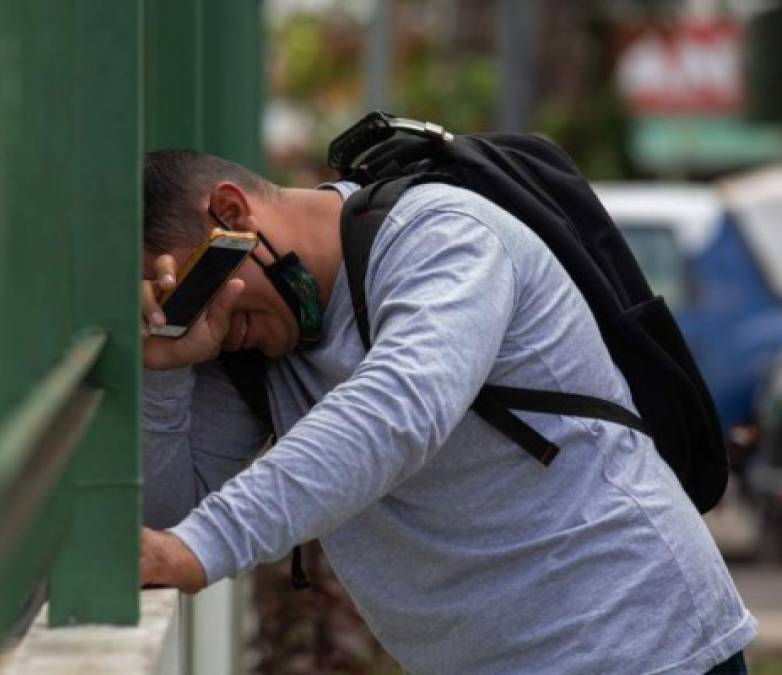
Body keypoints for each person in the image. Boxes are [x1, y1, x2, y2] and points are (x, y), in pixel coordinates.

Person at [138, 149, 756, 674]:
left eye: (190, 291)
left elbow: (398, 409)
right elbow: (168, 522)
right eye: (169, 307)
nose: (195, 318)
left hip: (641, 646)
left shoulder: (442, 235)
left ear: (230, 213)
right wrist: (165, 364)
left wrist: (205, 546)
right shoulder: (249, 341)